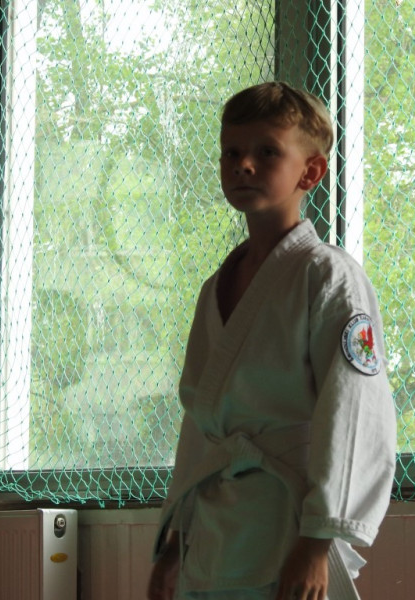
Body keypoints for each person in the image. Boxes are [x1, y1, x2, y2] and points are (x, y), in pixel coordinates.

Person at [147, 81, 396, 600]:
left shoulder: (330, 277)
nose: (243, 165)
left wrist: (318, 540)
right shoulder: (214, 289)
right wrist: (174, 542)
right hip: (211, 534)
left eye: (267, 152)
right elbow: (201, 421)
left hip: (288, 525)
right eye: (231, 153)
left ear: (310, 171)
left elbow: (354, 409)